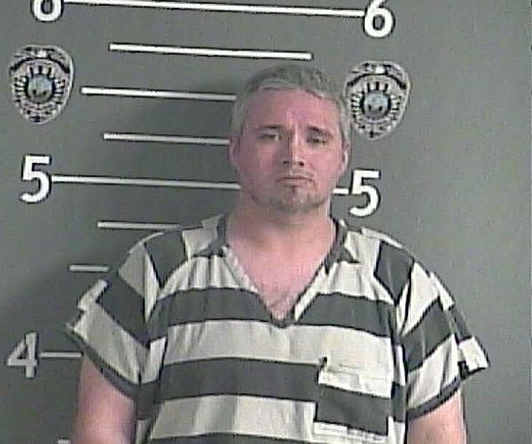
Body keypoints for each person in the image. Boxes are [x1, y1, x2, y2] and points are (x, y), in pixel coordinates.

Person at [64, 64, 489, 444]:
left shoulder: (402, 284)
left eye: (316, 138)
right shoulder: (154, 271)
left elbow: (439, 435)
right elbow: (100, 431)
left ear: (343, 157)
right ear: (235, 149)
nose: (294, 155)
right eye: (270, 136)